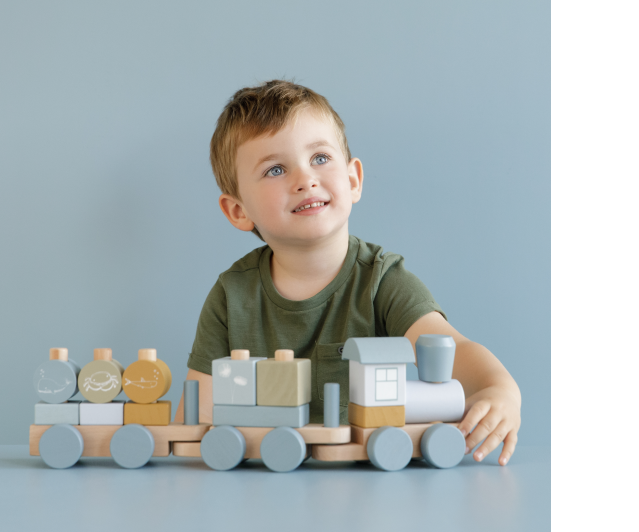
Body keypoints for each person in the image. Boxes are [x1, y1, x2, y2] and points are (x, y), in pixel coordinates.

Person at [173, 80, 521, 466]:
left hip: (370, 474)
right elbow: (198, 416)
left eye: (320, 158)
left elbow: (451, 348)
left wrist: (499, 389)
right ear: (239, 211)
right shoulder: (231, 295)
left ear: (353, 180)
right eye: (275, 169)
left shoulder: (384, 280)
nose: (305, 179)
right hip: (267, 472)